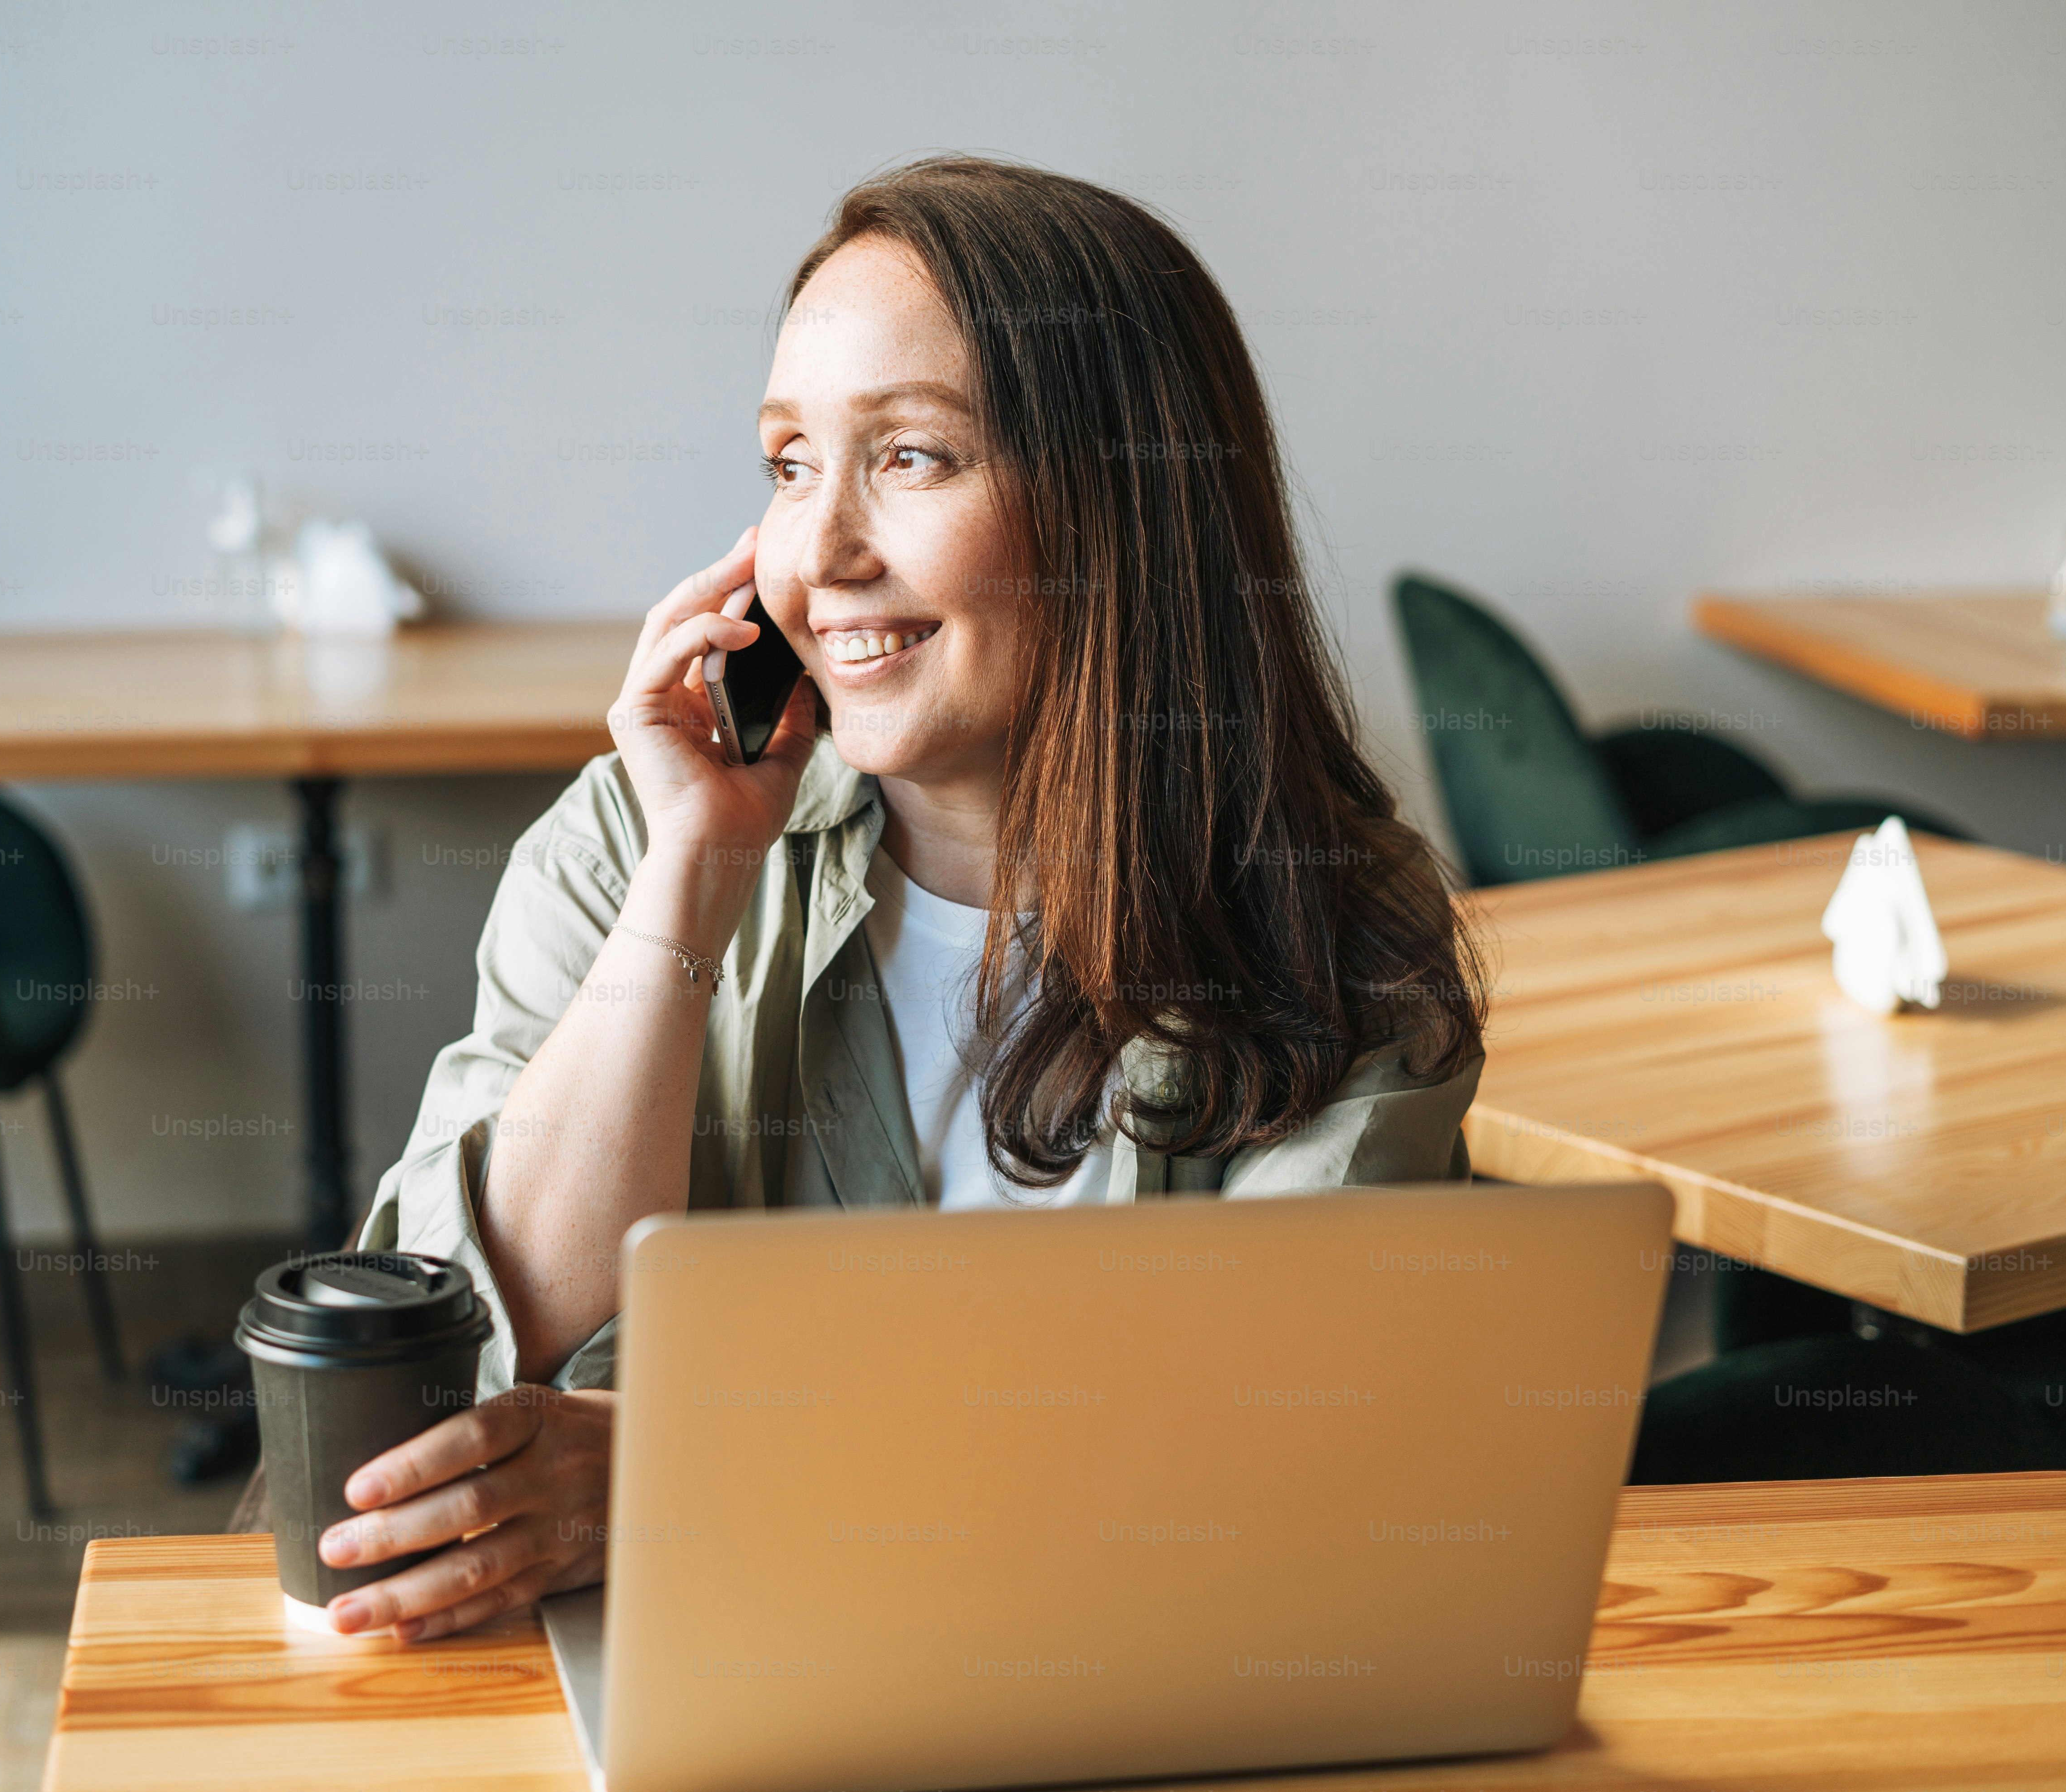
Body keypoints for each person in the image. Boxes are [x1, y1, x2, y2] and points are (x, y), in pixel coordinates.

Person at [286, 156, 1488, 1642]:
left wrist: (694, 1476)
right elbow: (475, 1362)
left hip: (1132, 1675)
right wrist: (692, 887)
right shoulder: (630, 839)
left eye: (909, 458)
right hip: (660, 1670)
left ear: (1127, 507)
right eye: (789, 466)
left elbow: (1278, 1455)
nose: (818, 556)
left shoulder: (1332, 916)